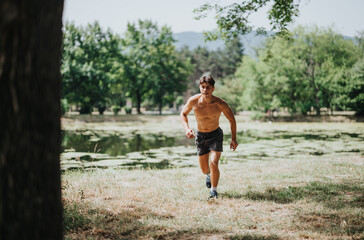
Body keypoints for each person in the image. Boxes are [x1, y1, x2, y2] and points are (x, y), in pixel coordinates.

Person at [180, 75, 238, 200]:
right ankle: (208, 175)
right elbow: (183, 113)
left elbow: (232, 120)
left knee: (214, 162)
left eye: (208, 87)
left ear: (213, 89)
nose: (205, 90)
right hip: (200, 136)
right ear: (200, 87)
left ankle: (213, 191)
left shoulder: (220, 103)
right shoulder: (193, 101)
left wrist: (233, 138)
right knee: (204, 169)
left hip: (215, 135)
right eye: (203, 87)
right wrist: (187, 129)